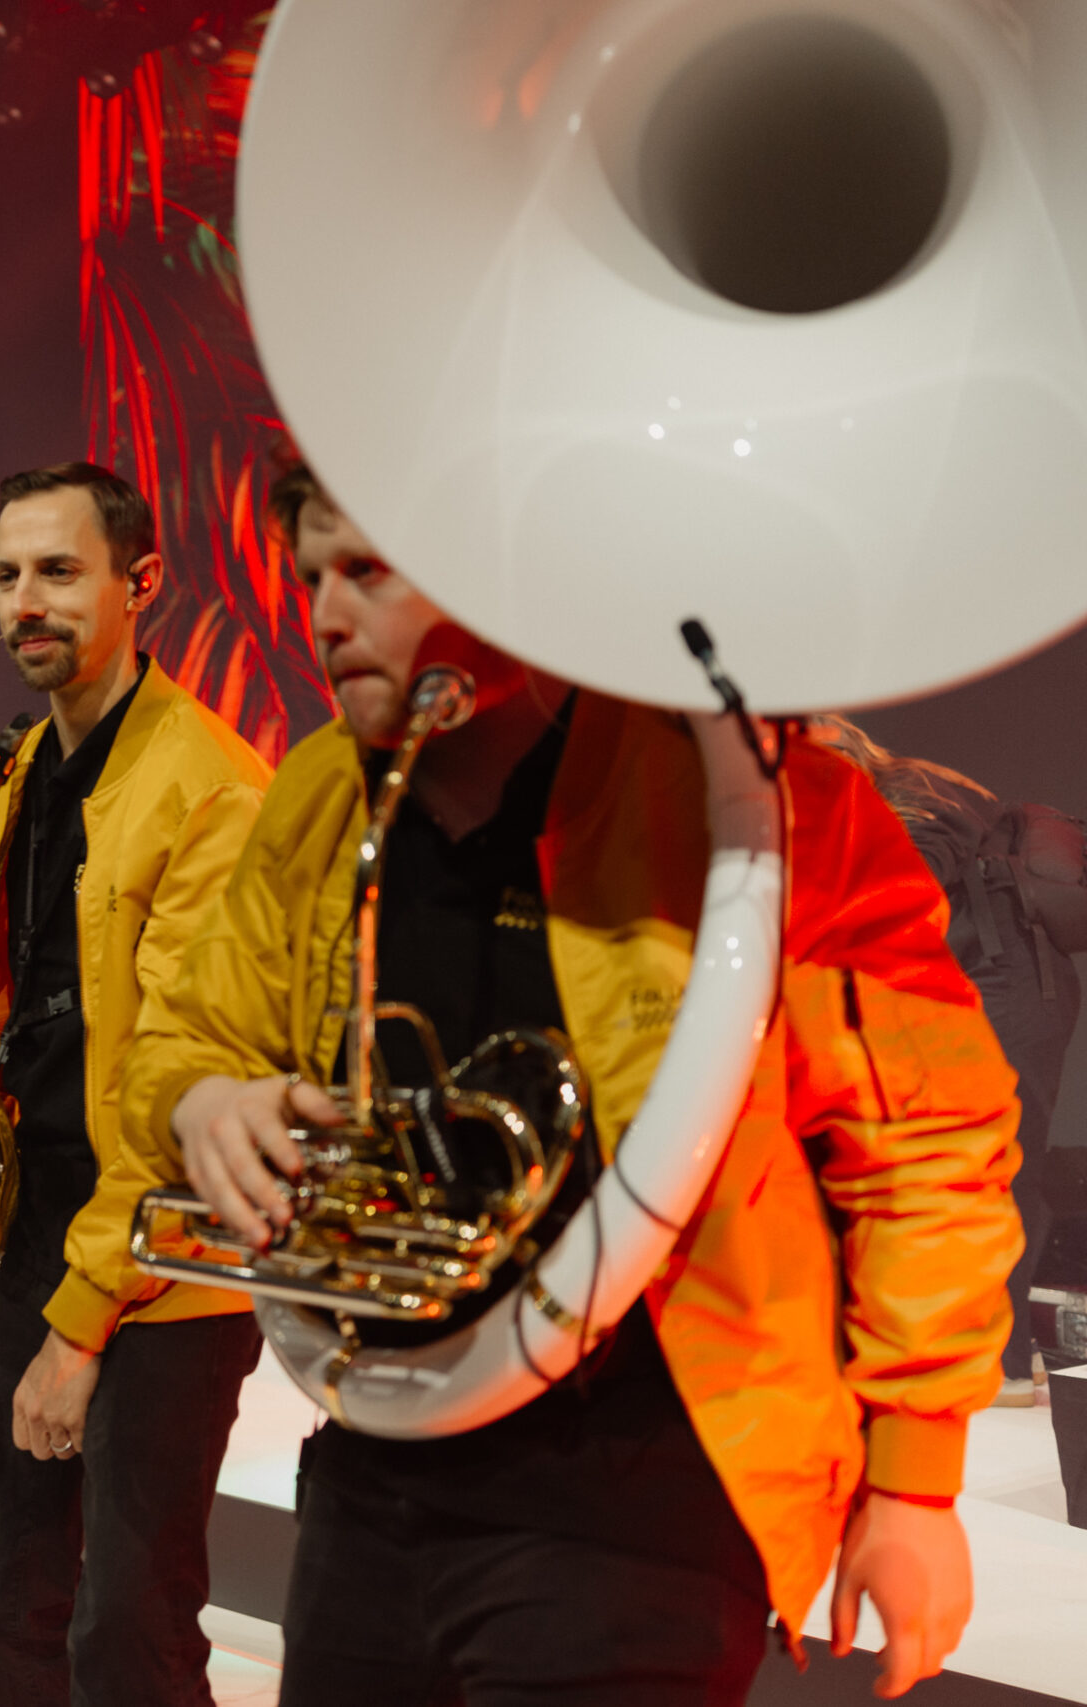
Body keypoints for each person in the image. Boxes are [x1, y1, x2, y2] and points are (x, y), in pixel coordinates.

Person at [120, 464, 1023, 1705]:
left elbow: (926, 1144)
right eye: (312, 573)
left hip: (638, 1498)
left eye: (368, 571)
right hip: (376, 1461)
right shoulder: (323, 789)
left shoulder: (764, 803)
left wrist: (914, 1481)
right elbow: (185, 1030)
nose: (323, 615)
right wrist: (203, 1104)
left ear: (501, 573)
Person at [0, 464, 273, 1705]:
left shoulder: (213, 787)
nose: (24, 602)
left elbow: (188, 1080)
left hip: (169, 1253)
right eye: (7, 575)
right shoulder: (29, 761)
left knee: (130, 1631)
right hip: (52, 1217)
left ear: (141, 584)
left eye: (58, 571)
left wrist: (80, 1330)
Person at [809, 718, 1081, 1409]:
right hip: (970, 984)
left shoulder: (916, 792)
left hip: (1016, 985)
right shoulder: (875, 805)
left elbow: (910, 884)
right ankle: (988, 1343)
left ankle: (1006, 1361)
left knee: (1003, 1163)